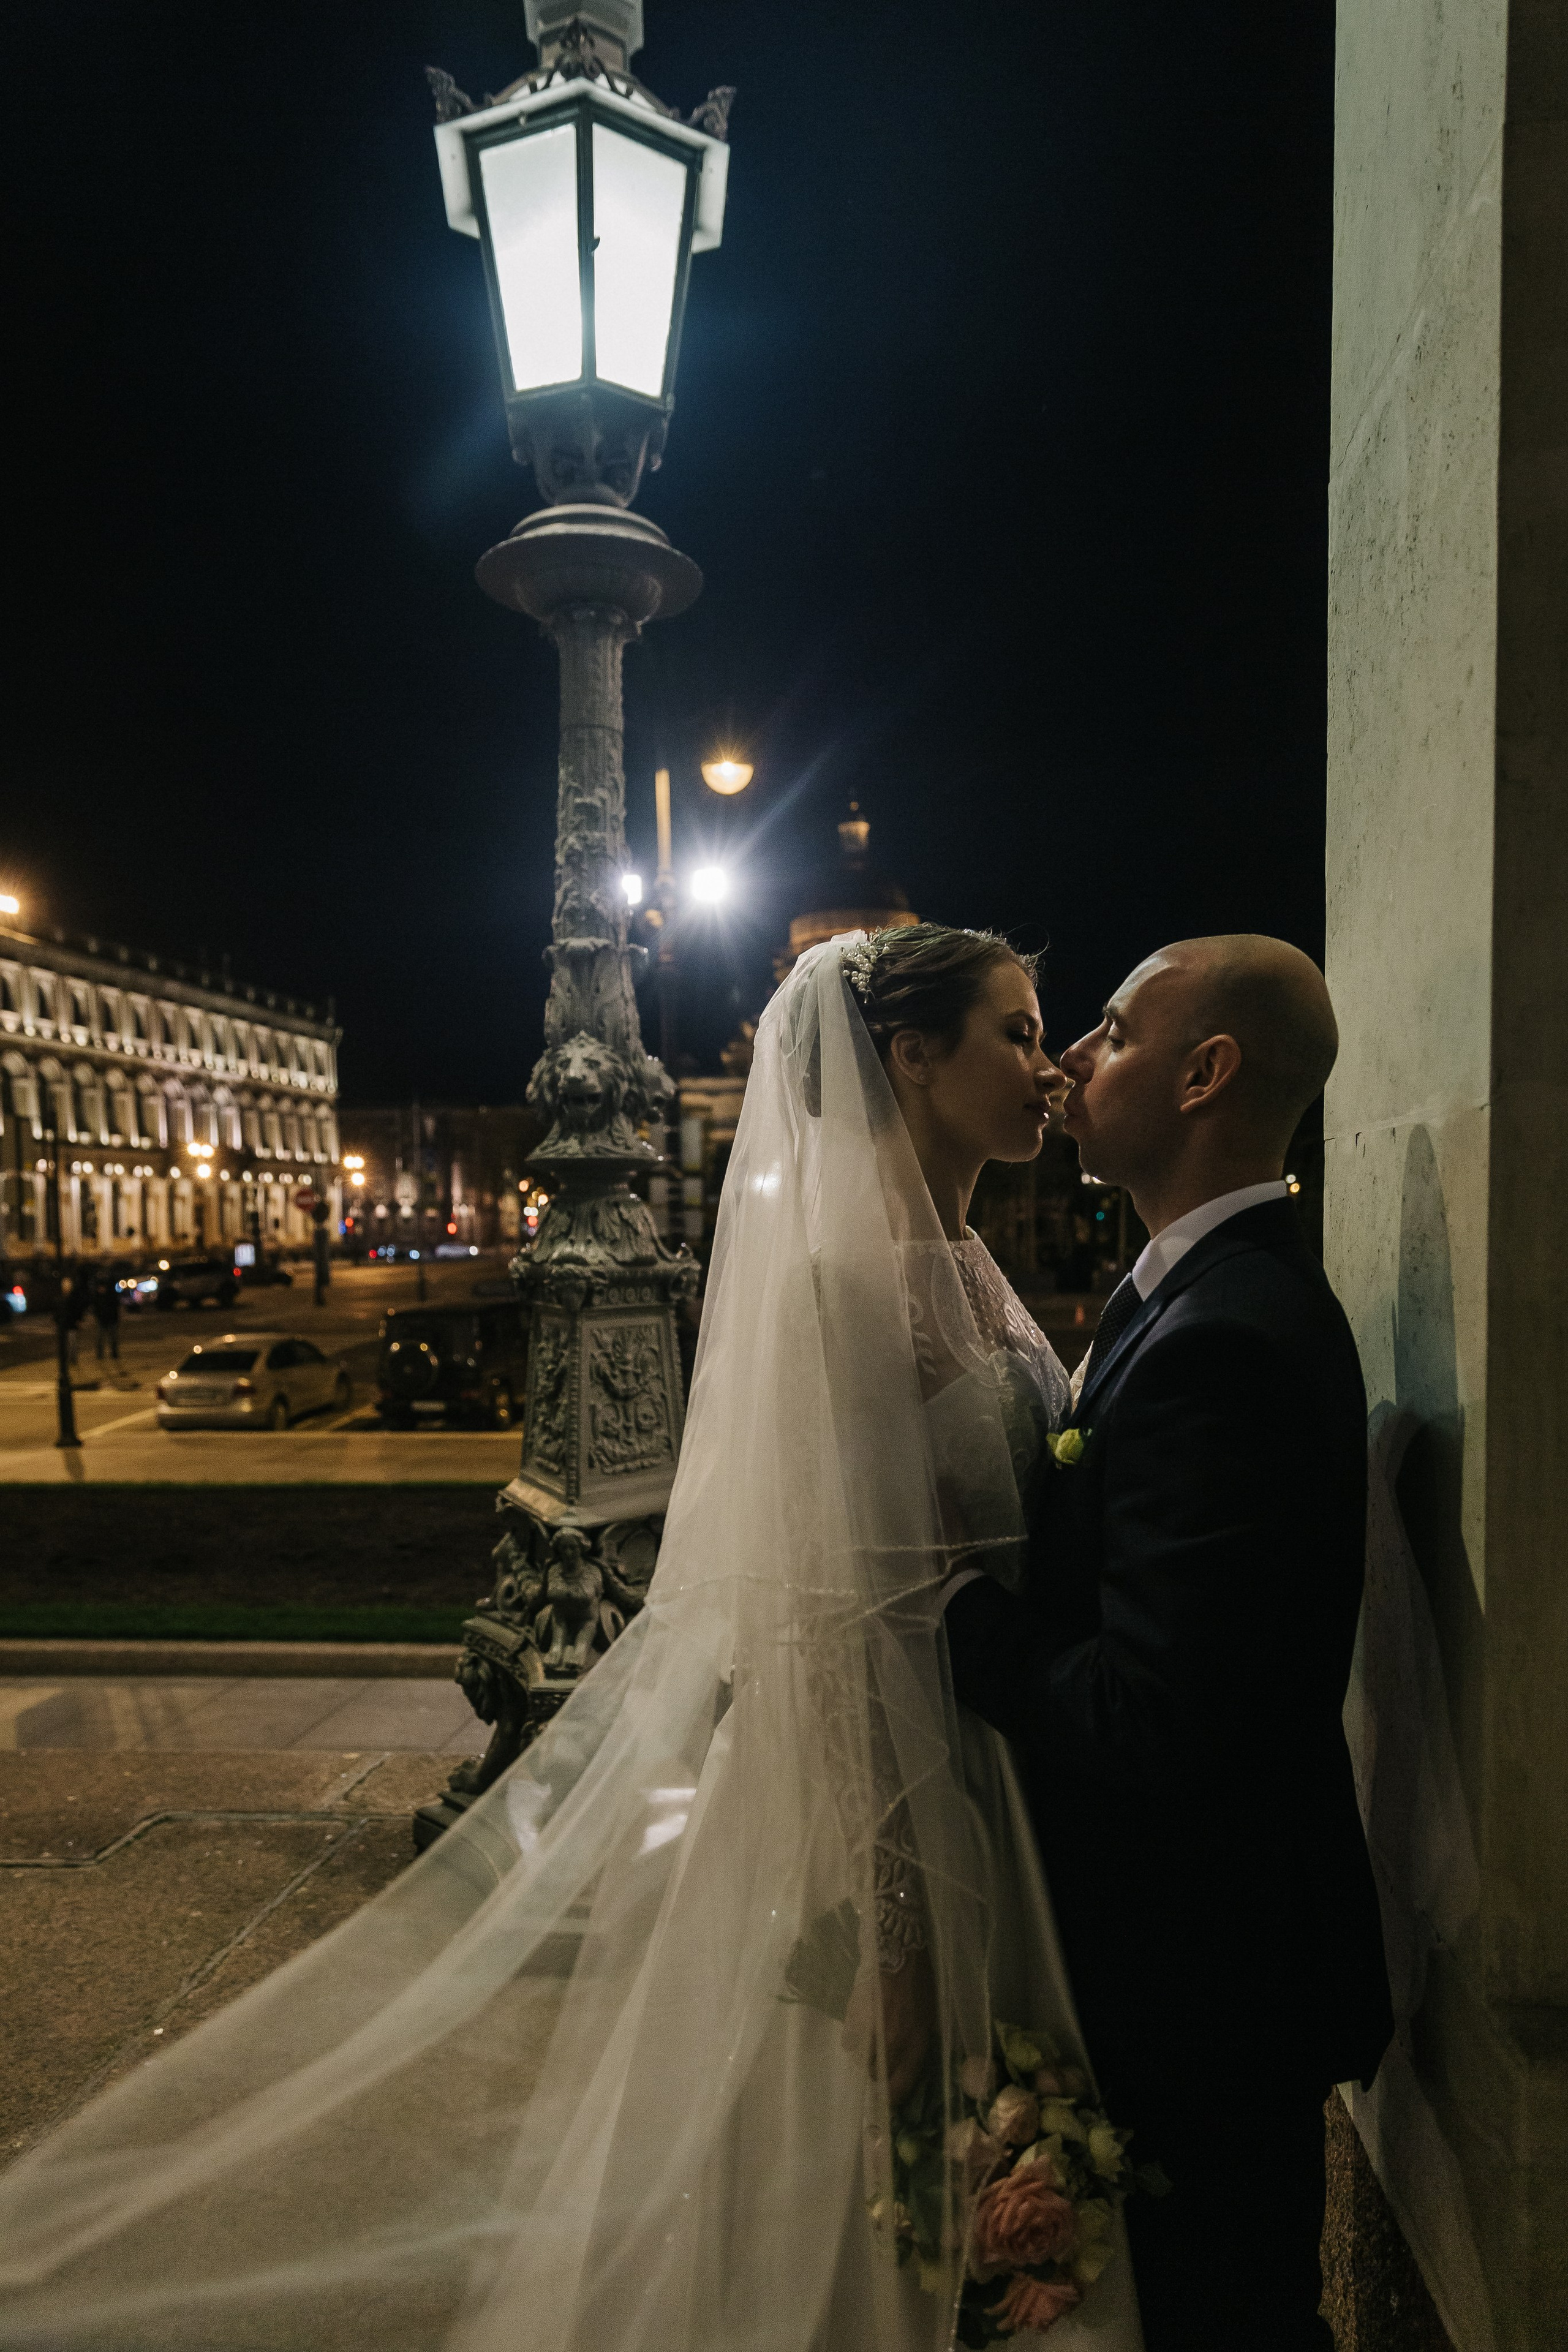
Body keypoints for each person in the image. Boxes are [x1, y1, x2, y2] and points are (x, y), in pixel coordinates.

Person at [0, 927, 1145, 2352]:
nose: (1049, 1068)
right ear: (908, 1055)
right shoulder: (842, 1293)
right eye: (1018, 1032)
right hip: (920, 1821)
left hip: (1013, 1774)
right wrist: (899, 1946)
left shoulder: (967, 1265)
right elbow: (835, 1632)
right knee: (889, 2207)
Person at [943, 936, 1394, 2351]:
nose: (1071, 1055)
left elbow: (1154, 1710)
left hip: (1203, 1985)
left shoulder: (1226, 1337)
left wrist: (957, 1619)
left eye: (1114, 1031)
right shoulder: (1182, 1293)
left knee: (1226, 2316)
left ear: (1205, 1074)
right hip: (1196, 1963)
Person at [90, 1267, 121, 1365]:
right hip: (102, 1319)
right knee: (100, 1338)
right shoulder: (98, 1297)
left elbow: (115, 1307)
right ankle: (100, 1355)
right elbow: (96, 1308)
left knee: (113, 1338)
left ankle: (114, 1354)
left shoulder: (110, 1297)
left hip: (111, 1319)